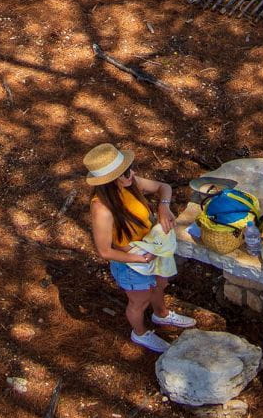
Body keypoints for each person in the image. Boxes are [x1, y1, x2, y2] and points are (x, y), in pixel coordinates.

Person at [83, 142, 197, 355]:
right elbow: (104, 251)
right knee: (140, 300)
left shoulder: (130, 183)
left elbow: (164, 187)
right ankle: (140, 332)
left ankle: (161, 314)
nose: (132, 173)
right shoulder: (102, 208)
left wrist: (163, 206)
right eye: (126, 172)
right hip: (131, 262)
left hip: (152, 249)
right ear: (111, 180)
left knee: (160, 284)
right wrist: (140, 259)